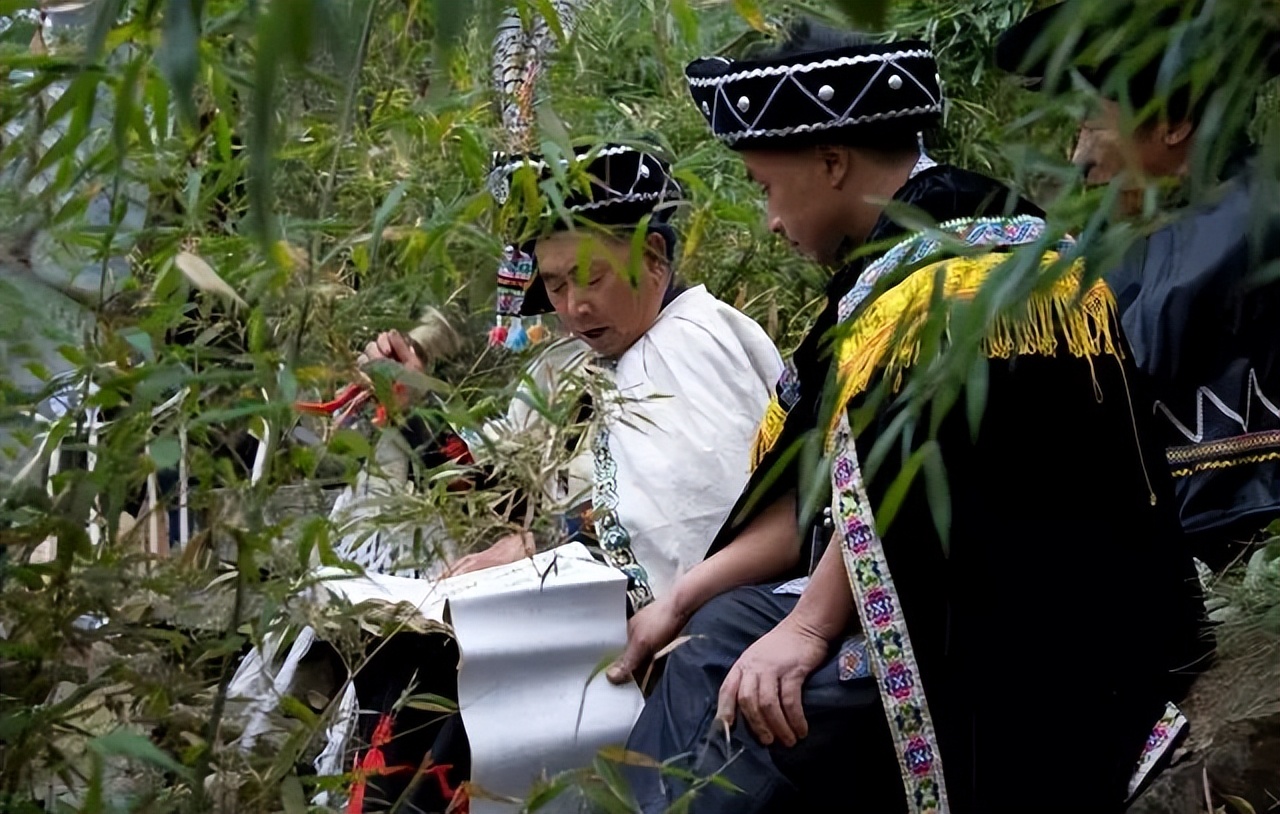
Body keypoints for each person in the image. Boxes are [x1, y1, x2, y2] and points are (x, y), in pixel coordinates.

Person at [616, 19, 1212, 814]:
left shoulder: (967, 265)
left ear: (832, 162)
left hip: (1030, 625)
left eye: (765, 187)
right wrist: (682, 598)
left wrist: (806, 631)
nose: (768, 219)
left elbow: (913, 473)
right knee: (706, 646)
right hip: (911, 591)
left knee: (763, 719)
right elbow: (822, 484)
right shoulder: (887, 269)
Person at [327, 141, 784, 812]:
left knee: (455, 699)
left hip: (662, 641)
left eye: (591, 277)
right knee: (409, 659)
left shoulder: (696, 345)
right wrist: (413, 407)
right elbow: (495, 497)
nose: (571, 306)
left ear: (654, 257)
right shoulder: (568, 368)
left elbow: (686, 530)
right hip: (566, 620)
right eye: (556, 284)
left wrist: (545, 545)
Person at [996, 0, 1280, 565]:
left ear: (1174, 122)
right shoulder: (1137, 238)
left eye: (1092, 123)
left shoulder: (1249, 226)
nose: (1078, 157)